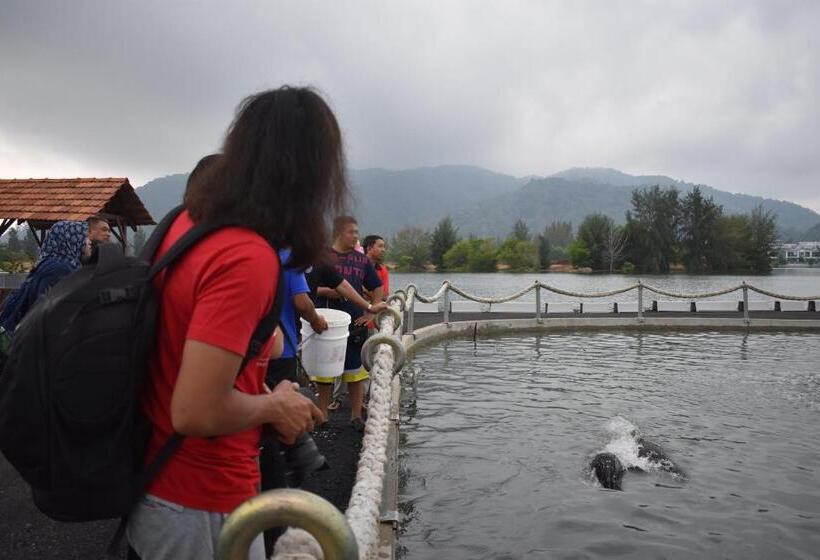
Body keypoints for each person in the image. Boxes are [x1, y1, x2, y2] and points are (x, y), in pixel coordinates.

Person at [126, 86, 344, 560]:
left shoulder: (187, 223)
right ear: (311, 171)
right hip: (198, 501)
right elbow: (195, 410)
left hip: (156, 484)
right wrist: (274, 407)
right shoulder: (246, 256)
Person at [310, 216, 382, 432]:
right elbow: (308, 287)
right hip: (326, 322)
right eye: (351, 232)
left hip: (355, 322)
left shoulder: (362, 261)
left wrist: (371, 313)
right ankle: (322, 415)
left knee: (355, 370)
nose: (356, 236)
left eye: (357, 232)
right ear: (339, 233)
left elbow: (376, 286)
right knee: (324, 370)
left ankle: (356, 415)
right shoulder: (322, 258)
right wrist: (327, 291)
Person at [0, 221, 88, 335]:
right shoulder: (59, 270)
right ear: (72, 240)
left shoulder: (47, 264)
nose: (88, 243)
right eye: (84, 238)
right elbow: (49, 316)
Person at [362, 234, 389, 301]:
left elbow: (384, 296)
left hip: (375, 305)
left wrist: (364, 290)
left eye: (384, 247)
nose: (383, 250)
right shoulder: (356, 267)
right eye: (380, 246)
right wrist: (376, 293)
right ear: (369, 248)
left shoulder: (383, 270)